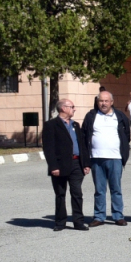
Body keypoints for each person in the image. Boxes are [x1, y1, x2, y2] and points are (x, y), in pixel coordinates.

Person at [81, 90, 131, 226]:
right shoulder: (91, 116)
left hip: (115, 158)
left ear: (112, 102)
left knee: (116, 189)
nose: (103, 103)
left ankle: (118, 216)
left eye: (106, 101)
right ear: (97, 102)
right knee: (99, 190)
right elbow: (84, 135)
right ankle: (99, 216)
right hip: (96, 159)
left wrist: (123, 152)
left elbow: (126, 135)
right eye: (101, 101)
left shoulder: (119, 116)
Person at [42, 99, 90, 231]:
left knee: (77, 193)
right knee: (60, 194)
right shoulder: (51, 125)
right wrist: (53, 167)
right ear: (63, 108)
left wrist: (85, 163)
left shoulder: (76, 125)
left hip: (76, 163)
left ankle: (78, 222)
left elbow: (82, 145)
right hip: (60, 165)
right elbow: (48, 148)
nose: (74, 109)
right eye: (72, 107)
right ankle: (60, 222)